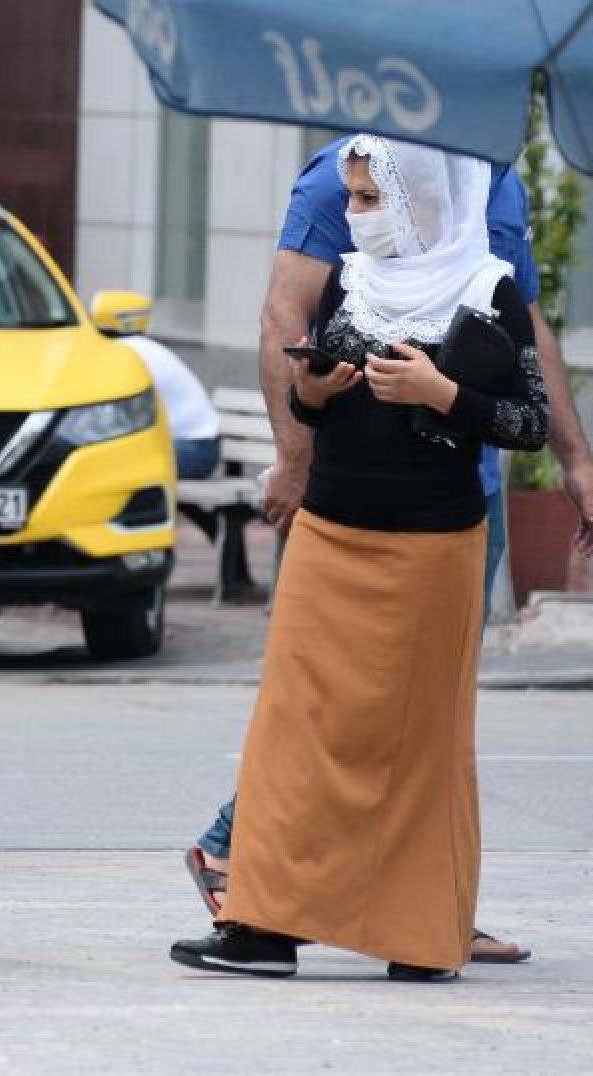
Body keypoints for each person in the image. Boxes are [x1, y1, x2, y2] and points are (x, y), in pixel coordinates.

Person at [181, 133, 593, 964]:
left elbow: (522, 420)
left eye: (371, 201)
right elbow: (314, 392)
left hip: (433, 545)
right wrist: (309, 392)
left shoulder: (488, 288)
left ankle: (421, 934)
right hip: (332, 535)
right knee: (293, 730)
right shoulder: (350, 283)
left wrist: (442, 393)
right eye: (356, 199)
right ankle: (263, 924)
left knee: (422, 741)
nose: (356, 217)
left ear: (421, 200)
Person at [119, 334, 220, 479]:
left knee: (119, 466)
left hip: (197, 447)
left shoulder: (127, 356)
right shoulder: (129, 348)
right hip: (182, 444)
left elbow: (132, 424)